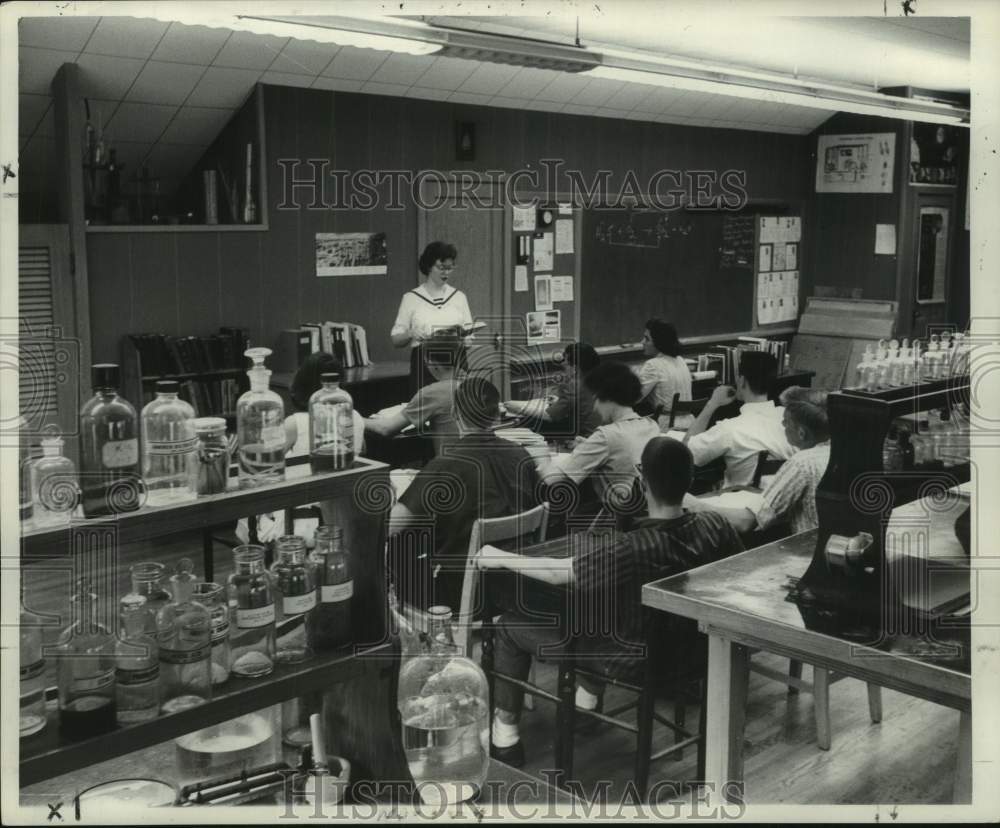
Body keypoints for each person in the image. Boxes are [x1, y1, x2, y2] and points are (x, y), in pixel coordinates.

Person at [477, 436, 745, 767]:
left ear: (642, 480)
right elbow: (733, 575)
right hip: (696, 654)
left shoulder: (632, 548)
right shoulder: (714, 524)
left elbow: (558, 572)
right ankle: (585, 707)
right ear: (690, 480)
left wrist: (500, 557)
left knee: (509, 627)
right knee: (601, 617)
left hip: (634, 660)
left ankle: (505, 738)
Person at [386, 377, 542, 612]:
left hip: (461, 593)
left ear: (455, 413)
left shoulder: (443, 466)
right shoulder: (521, 456)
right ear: (497, 415)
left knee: (400, 552)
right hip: (518, 582)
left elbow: (389, 527)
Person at [235, 352, 365, 548]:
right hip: (340, 521)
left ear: (301, 383)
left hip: (296, 526)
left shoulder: (294, 424)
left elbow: (262, 468)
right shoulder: (355, 416)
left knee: (246, 515)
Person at [687, 387, 830, 536]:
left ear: (801, 433)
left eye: (786, 421)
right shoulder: (833, 454)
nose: (782, 425)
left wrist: (696, 505)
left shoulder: (802, 464)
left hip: (806, 550)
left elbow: (746, 522)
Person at [532, 362, 660, 510]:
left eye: (596, 400)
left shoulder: (605, 436)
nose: (594, 407)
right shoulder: (651, 425)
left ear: (608, 398)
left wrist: (541, 454)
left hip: (621, 517)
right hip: (650, 508)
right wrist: (589, 444)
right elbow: (622, 450)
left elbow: (552, 479)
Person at [684, 351, 796, 488]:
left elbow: (684, 453)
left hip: (739, 502)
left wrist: (712, 404)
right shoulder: (792, 420)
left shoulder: (729, 429)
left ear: (742, 381)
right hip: (781, 500)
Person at [391, 241, 474, 395]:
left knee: (458, 406)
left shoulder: (459, 297)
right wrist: (411, 333)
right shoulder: (411, 298)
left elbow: (469, 334)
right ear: (429, 266)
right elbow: (396, 340)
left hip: (456, 361)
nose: (446, 273)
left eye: (450, 268)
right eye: (441, 268)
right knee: (425, 407)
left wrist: (467, 341)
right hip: (425, 363)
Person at [364, 331, 465, 456]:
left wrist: (356, 418)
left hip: (450, 468)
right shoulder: (478, 385)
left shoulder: (432, 393)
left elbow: (385, 429)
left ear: (430, 362)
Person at [503, 342, 603, 437]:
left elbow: (550, 416)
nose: (562, 364)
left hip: (582, 437)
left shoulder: (573, 385)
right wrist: (559, 402)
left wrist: (518, 407)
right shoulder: (601, 380)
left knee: (531, 424)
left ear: (575, 368)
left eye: (565, 361)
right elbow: (584, 404)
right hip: (601, 434)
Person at [635, 319, 692, 429]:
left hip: (665, 426)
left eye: (647, 339)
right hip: (690, 423)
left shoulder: (653, 365)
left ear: (658, 342)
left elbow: (634, 398)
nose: (642, 342)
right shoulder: (680, 360)